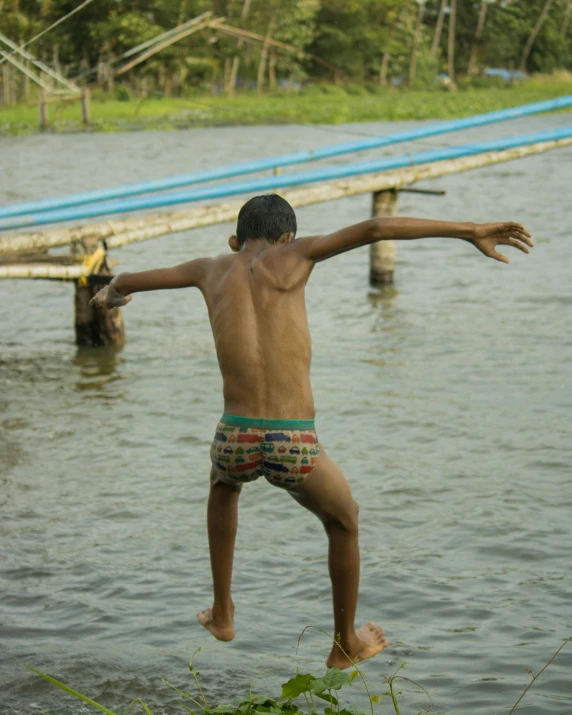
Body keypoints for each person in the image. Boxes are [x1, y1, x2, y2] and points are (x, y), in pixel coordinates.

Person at [91, 194, 533, 668]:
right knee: (344, 520)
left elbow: (130, 281)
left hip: (234, 435)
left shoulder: (209, 267)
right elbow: (375, 229)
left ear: (235, 241)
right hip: (292, 440)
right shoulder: (296, 255)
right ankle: (345, 643)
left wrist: (112, 293)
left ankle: (222, 612)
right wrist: (469, 230)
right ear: (288, 238)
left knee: (223, 484)